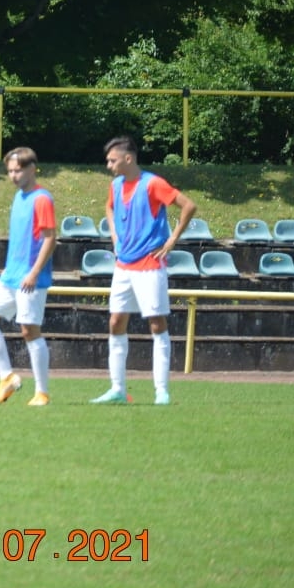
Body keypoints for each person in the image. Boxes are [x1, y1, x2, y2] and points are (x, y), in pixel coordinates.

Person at [92, 135, 197, 406]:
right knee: (116, 321)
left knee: (156, 323)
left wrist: (171, 241)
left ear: (128, 158)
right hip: (123, 265)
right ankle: (117, 389)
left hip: (150, 264)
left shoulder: (152, 183)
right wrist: (114, 235)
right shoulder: (116, 185)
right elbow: (109, 207)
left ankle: (161, 390)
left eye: (112, 160)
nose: (109, 165)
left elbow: (188, 205)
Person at [0, 146, 56, 406]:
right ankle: (7, 377)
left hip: (31, 278)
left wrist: (34, 272)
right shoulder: (19, 197)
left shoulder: (42, 198)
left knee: (29, 330)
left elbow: (50, 239)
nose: (13, 175)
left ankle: (42, 392)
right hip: (10, 276)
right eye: (9, 171)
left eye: (17, 170)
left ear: (32, 169)